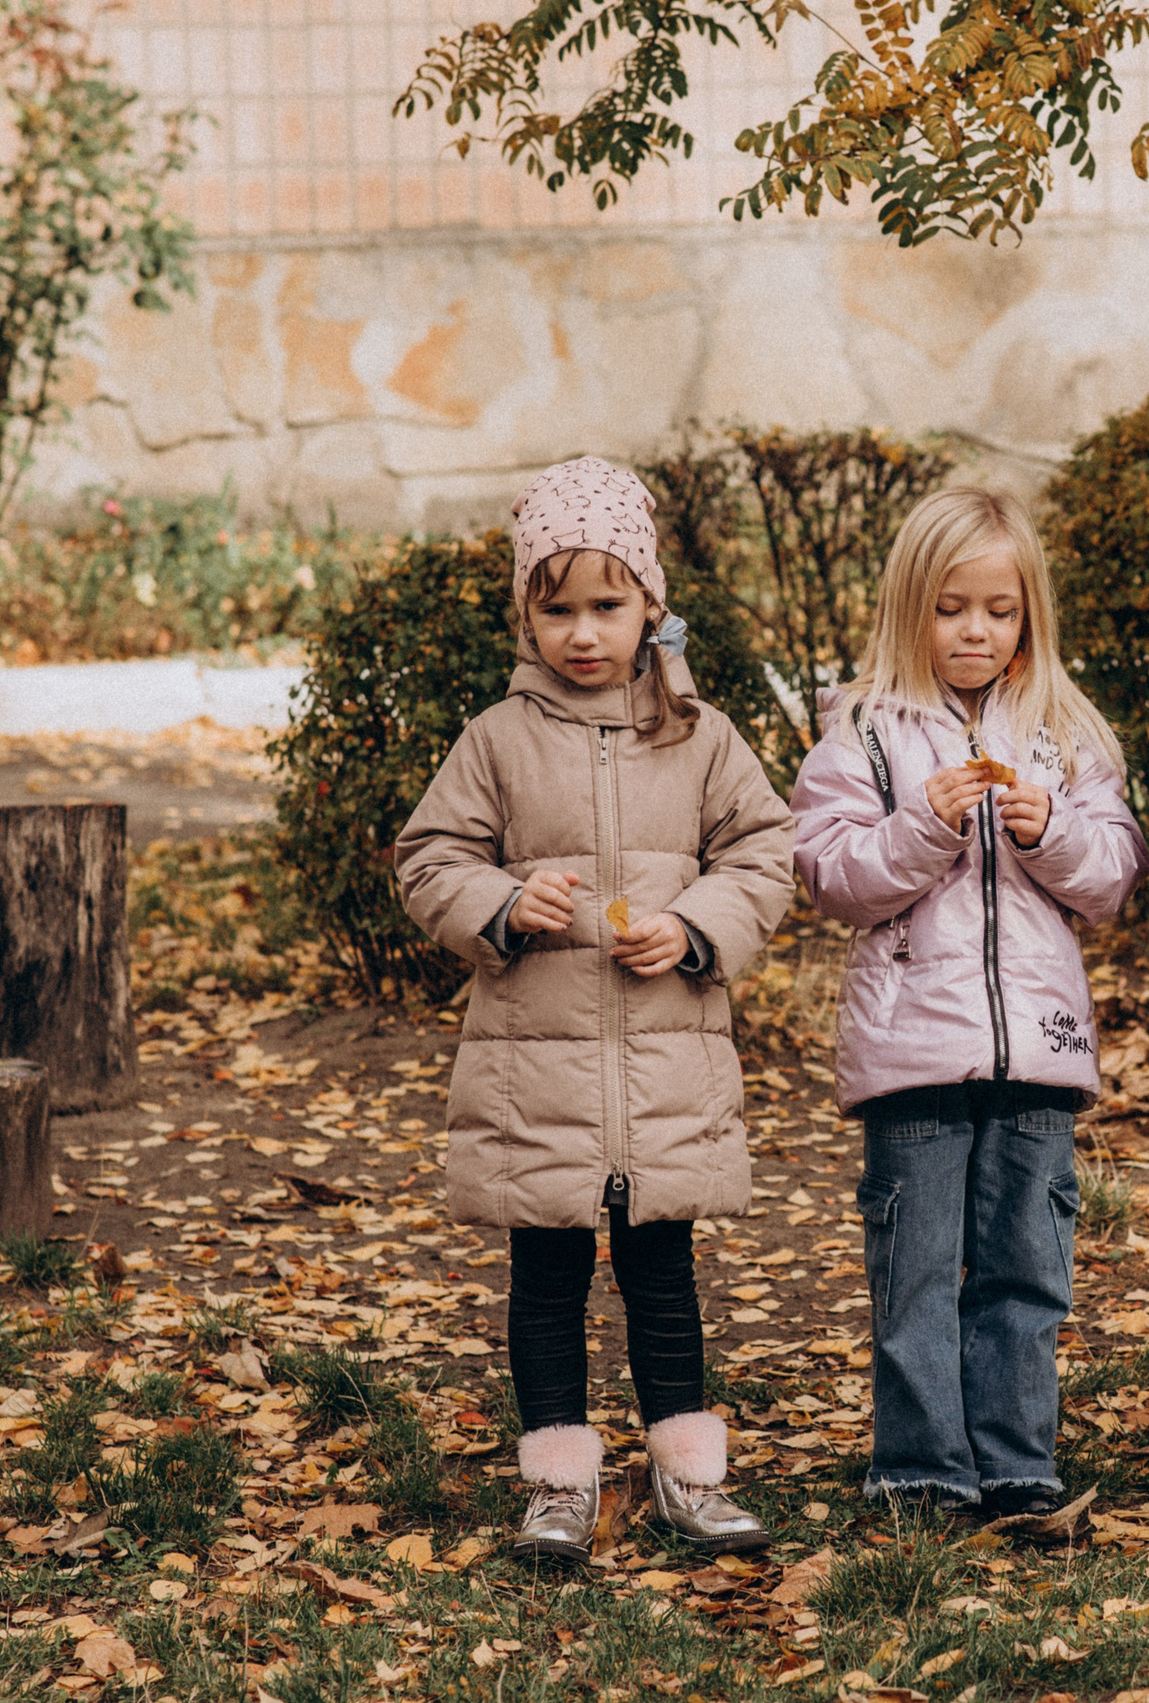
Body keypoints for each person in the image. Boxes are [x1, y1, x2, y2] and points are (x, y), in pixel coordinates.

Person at [395, 457, 797, 1562]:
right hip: (539, 1072)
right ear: (526, 612)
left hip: (665, 1069)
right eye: (557, 606)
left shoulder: (701, 734)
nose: (583, 632)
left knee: (663, 1273)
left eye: (607, 605)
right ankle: (560, 1479)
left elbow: (764, 847)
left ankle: (688, 1473)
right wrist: (507, 902)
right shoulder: (497, 738)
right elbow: (430, 856)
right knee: (549, 1280)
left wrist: (700, 924)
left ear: (650, 606)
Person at [790, 487, 1145, 1515]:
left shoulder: (1064, 732)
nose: (975, 630)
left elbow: (1115, 874)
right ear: (910, 608)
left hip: (1037, 1044)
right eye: (951, 608)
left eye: (997, 608)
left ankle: (1016, 1455)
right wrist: (923, 829)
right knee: (915, 1265)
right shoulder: (863, 727)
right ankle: (920, 1464)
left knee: (1027, 1261)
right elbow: (829, 871)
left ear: (1028, 611)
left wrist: (1050, 833)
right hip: (913, 1051)